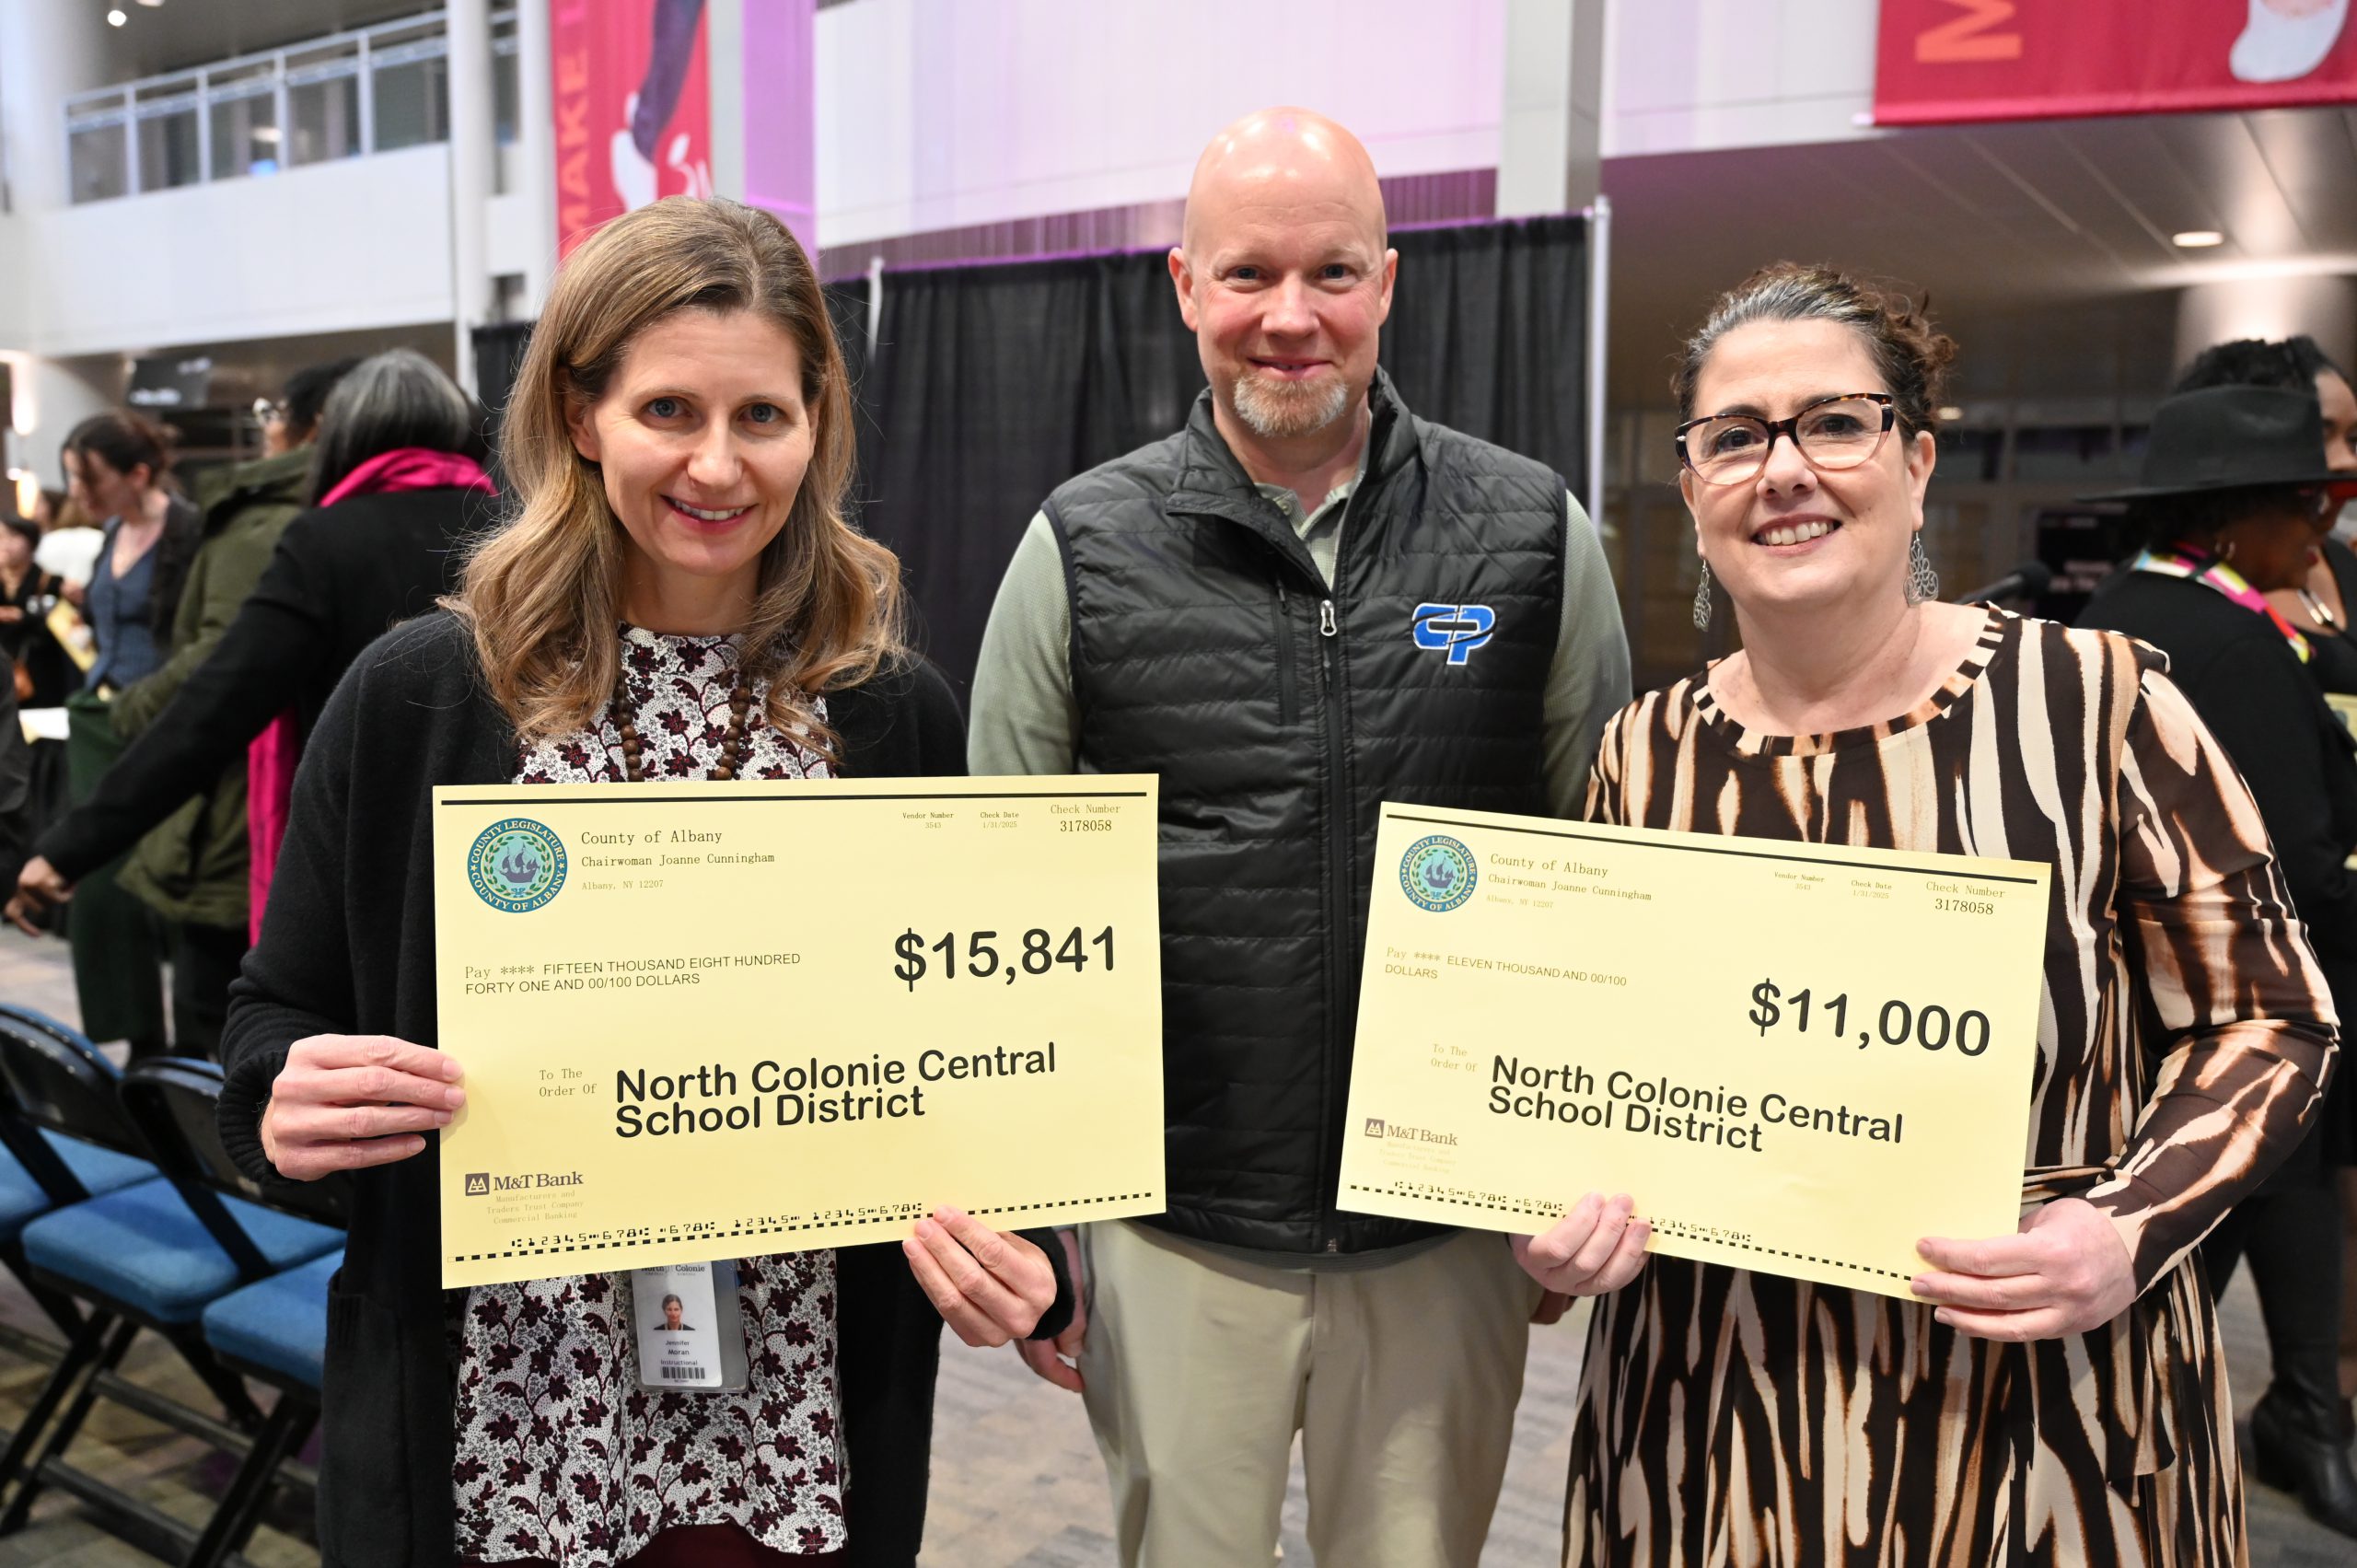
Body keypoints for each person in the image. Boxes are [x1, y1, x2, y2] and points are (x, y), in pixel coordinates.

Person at [215, 196, 1074, 1568]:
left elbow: (967, 1050)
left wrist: (1035, 1251)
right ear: (580, 412)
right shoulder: (421, 696)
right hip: (505, 1411)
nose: (720, 466)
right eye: (670, 409)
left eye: (764, 417)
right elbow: (270, 1011)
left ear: (818, 423)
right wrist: (286, 1093)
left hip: (797, 1415)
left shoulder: (890, 712)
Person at [1528, 262, 2337, 1567]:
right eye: (1735, 438)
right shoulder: (1646, 751)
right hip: (1716, 1420)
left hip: (2041, 1416)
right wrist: (1561, 1211)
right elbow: (1608, 1069)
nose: (1782, 468)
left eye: (1833, 423)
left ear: (1913, 459)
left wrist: (2126, 1225)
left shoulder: (2094, 701)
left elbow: (2273, 1015)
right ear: (1691, 494)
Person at [968, 107, 1631, 1567]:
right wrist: (1035, 1213)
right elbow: (1001, 910)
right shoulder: (1077, 544)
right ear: (1185, 285)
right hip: (1175, 1226)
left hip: (1444, 1232)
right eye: (1248, 274)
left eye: (1331, 273)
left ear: (1387, 282)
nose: (1290, 318)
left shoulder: (1532, 532)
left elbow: (1602, 869)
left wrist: (1566, 1164)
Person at [2075, 379, 2357, 1539]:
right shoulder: (2224, 638)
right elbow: (2296, 844)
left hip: (2175, 1006)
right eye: (2310, 502)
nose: (2323, 529)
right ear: (2236, 514)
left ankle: (2297, 1407)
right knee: (2215, 1212)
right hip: (2244, 993)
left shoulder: (2117, 607)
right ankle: (2264, 1417)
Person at [8, 351, 493, 947]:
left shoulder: (327, 540)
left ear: (340, 432)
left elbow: (215, 706)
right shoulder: (513, 529)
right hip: (509, 849)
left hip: (371, 856)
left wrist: (68, 848)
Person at [59, 412, 200, 1057]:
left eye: (90, 479)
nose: (80, 496)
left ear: (138, 472)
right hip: (98, 715)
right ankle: (138, 1033)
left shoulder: (188, 532)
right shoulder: (110, 529)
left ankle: (191, 1043)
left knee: (167, 878)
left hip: (161, 721)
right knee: (104, 887)